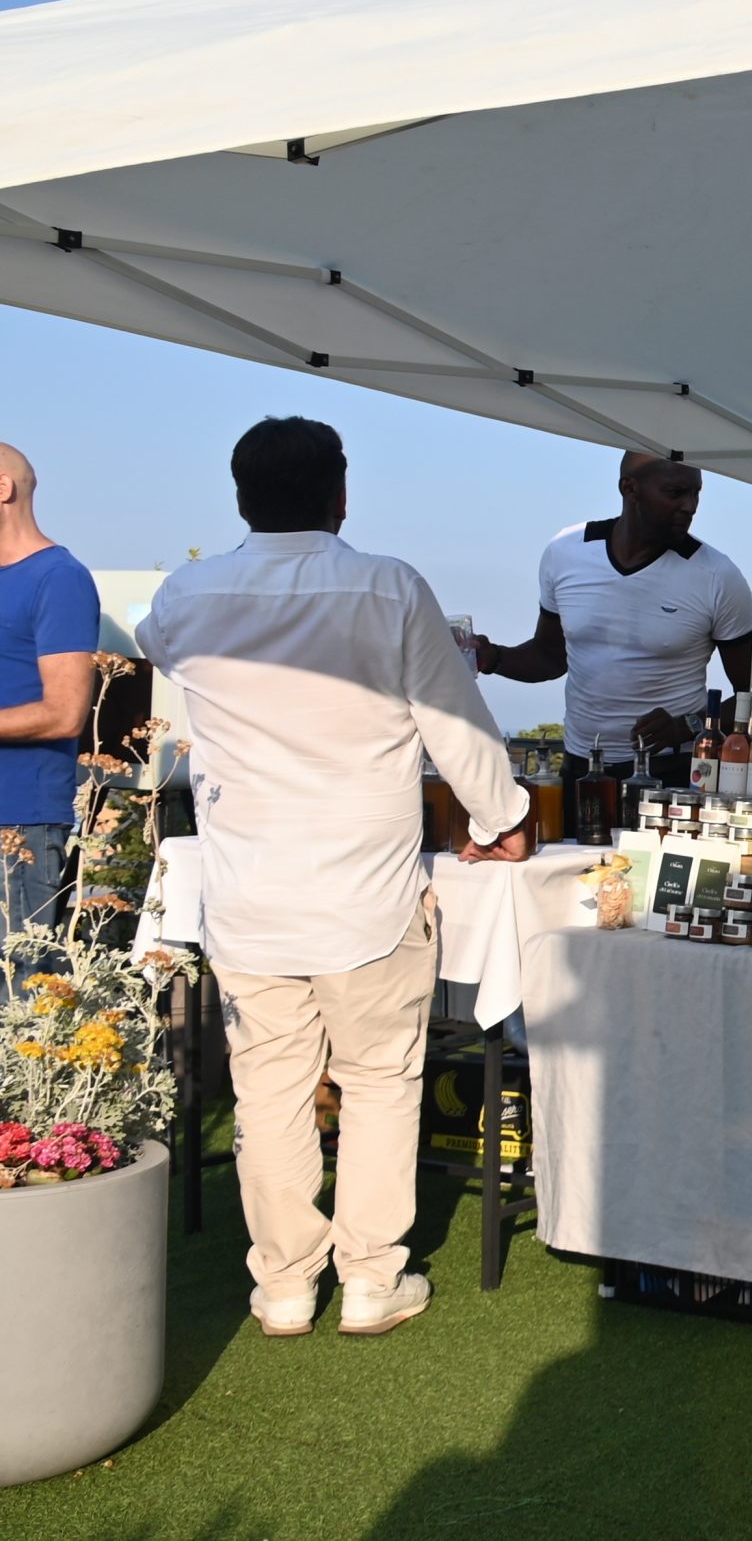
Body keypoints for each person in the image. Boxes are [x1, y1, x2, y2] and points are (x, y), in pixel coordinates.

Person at [138, 416, 534, 1339]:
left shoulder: (189, 592)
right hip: (367, 891)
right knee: (379, 1081)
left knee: (269, 1091)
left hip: (249, 891)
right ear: (341, 494)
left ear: (241, 497)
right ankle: (368, 1277)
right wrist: (502, 819)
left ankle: (283, 1284)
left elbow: (158, 645)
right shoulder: (389, 586)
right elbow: (455, 724)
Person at [474, 451, 752, 786]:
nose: (690, 506)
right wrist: (493, 657)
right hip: (581, 770)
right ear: (629, 489)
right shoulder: (566, 551)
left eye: (696, 493)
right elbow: (549, 657)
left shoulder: (717, 575)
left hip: (671, 774)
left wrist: (687, 726)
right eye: (675, 493)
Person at [0, 442, 98, 954]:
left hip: (17, 825)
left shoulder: (58, 578)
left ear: (3, 488)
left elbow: (64, 713)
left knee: (19, 989)